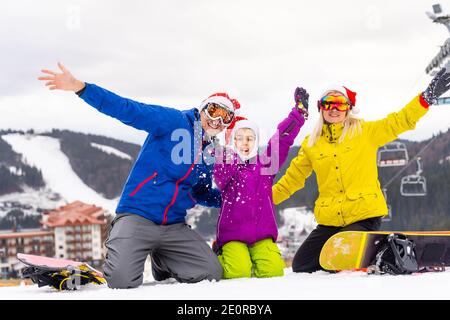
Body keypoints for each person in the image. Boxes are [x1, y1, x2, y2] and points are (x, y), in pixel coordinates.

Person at [37, 62, 242, 288]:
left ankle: (163, 260)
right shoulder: (174, 122)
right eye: (213, 111)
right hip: (138, 216)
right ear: (203, 108)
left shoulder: (208, 153)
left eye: (226, 118)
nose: (217, 120)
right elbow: (128, 109)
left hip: (173, 225)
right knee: (121, 281)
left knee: (210, 273)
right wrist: (82, 88)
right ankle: (120, 249)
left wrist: (233, 198)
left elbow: (200, 192)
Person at [272, 67, 450, 273]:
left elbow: (400, 121)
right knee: (302, 264)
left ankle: (391, 254)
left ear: (348, 108)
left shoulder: (365, 132)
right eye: (328, 103)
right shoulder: (312, 144)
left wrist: (425, 99)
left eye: (340, 103)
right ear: (321, 108)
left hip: (364, 216)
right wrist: (262, 201)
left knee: (341, 257)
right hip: (331, 222)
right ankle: (377, 255)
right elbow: (292, 179)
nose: (334, 109)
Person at [213, 87, 309, 278]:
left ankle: (256, 261)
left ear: (256, 142)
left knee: (273, 272)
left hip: (261, 235)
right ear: (233, 142)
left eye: (250, 138)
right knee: (237, 273)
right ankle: (220, 255)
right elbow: (220, 179)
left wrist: (297, 115)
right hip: (233, 236)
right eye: (239, 139)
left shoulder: (265, 165)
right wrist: (228, 153)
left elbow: (282, 140)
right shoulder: (226, 163)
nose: (245, 143)